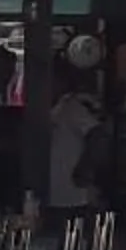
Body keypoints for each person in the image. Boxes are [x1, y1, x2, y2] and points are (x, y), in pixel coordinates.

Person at [50, 80, 105, 211]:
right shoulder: (45, 108)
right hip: (44, 195)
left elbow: (97, 134)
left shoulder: (72, 107)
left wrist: (85, 169)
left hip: (71, 196)